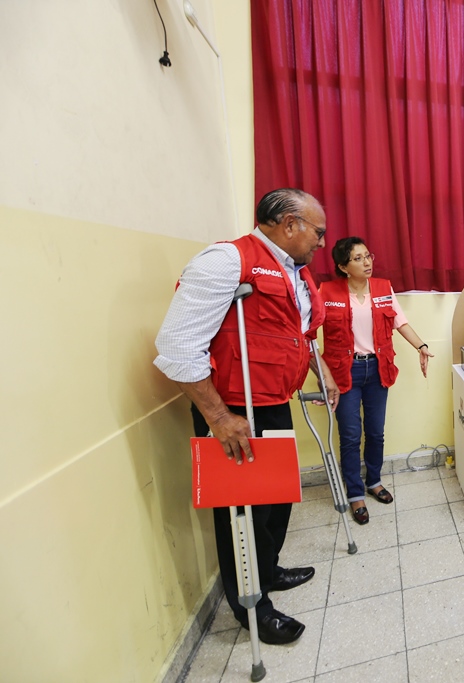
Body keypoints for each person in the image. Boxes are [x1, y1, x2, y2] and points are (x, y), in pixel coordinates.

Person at [154, 188, 339, 645]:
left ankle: (268, 570)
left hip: (273, 400)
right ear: (289, 224)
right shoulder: (225, 261)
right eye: (317, 232)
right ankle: (252, 607)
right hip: (236, 410)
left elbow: (297, 333)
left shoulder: (294, 272)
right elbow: (176, 348)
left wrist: (323, 372)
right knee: (243, 511)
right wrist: (218, 417)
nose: (321, 241)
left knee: (276, 499)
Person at [319, 237, 433, 525]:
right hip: (345, 372)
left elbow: (400, 322)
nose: (367, 262)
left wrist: (420, 346)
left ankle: (374, 481)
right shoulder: (327, 291)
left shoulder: (383, 288)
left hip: (377, 369)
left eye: (368, 256)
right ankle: (355, 493)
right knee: (350, 435)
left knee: (376, 432)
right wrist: (320, 372)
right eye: (358, 258)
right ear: (343, 266)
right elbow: (308, 331)